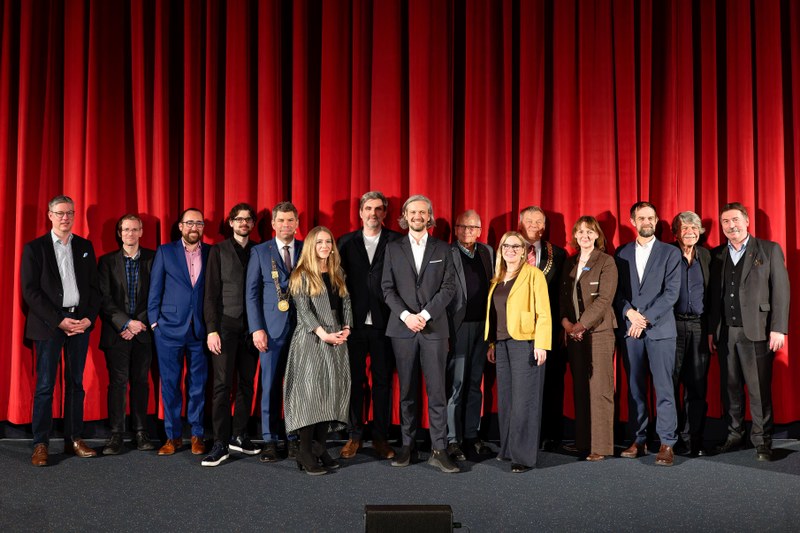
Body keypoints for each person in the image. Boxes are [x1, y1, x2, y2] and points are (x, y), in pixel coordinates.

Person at [381, 194, 458, 473]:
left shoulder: (443, 249)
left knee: (437, 391)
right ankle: (408, 446)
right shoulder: (393, 248)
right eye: (412, 212)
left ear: (429, 216)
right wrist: (406, 316)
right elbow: (387, 288)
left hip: (434, 329)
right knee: (407, 393)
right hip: (402, 330)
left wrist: (424, 316)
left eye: (422, 212)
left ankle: (439, 448)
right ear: (405, 215)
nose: (417, 216)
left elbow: (449, 288)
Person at [22, 195, 101, 466]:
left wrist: (88, 318)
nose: (65, 217)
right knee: (45, 386)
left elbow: (94, 289)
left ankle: (74, 439)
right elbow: (30, 292)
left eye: (69, 213)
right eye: (60, 213)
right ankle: (41, 444)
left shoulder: (85, 247)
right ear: (50, 215)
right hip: (48, 326)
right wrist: (58, 321)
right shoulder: (35, 248)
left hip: (80, 323)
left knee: (76, 384)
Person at [708, 202, 789, 462]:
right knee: (730, 388)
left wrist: (778, 328)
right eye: (725, 222)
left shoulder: (768, 250)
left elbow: (781, 292)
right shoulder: (717, 254)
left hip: (757, 331)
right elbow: (713, 299)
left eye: (735, 220)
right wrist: (713, 331)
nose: (731, 226)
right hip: (726, 333)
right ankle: (734, 435)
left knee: (758, 390)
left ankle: (762, 441)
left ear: (747, 221)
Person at [615, 201, 681, 466]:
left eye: (651, 218)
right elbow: (616, 292)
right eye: (641, 218)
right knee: (635, 389)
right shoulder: (621, 253)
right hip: (631, 331)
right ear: (633, 221)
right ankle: (639, 440)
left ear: (656, 221)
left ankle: (667, 442)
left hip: (660, 330)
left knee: (664, 388)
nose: (647, 222)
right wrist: (629, 313)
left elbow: (671, 293)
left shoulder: (669, 253)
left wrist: (644, 319)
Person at [337, 191, 402, 460]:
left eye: (378, 209)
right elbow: (337, 284)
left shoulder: (397, 242)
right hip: (353, 323)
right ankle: (354, 436)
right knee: (354, 381)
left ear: (385, 213)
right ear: (360, 212)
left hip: (385, 323)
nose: (373, 214)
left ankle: (380, 438)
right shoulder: (344, 242)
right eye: (368, 208)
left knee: (383, 382)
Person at [284, 226, 352, 475]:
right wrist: (324, 334)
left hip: (336, 337)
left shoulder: (337, 271)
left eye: (328, 242)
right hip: (312, 339)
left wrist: (346, 328)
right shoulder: (301, 274)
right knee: (310, 396)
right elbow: (303, 311)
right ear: (311, 245)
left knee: (329, 393)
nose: (325, 246)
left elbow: (346, 301)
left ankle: (319, 448)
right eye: (319, 242)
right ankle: (304, 451)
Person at [485, 231, 551, 473]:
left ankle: (523, 457)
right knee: (507, 399)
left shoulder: (534, 275)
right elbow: (495, 316)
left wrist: (542, 343)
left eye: (515, 246)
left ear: (524, 251)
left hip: (526, 342)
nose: (510, 250)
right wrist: (492, 343)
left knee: (525, 401)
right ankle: (508, 448)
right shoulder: (498, 278)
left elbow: (544, 312)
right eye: (505, 246)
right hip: (502, 344)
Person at [201, 203, 261, 467]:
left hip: (253, 328)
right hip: (225, 326)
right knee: (222, 386)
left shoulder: (260, 250)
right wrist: (211, 329)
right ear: (230, 222)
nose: (244, 223)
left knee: (247, 384)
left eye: (248, 219)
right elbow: (210, 293)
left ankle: (239, 434)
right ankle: (219, 442)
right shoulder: (218, 250)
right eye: (239, 219)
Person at [147, 207, 210, 456]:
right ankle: (172, 437)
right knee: (170, 385)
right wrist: (155, 324)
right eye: (189, 223)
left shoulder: (212, 253)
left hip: (200, 330)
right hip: (169, 330)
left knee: (198, 386)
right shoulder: (165, 251)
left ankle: (196, 435)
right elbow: (155, 289)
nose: (194, 227)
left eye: (199, 223)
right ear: (181, 227)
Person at [246, 201, 303, 462]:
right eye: (281, 220)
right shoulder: (260, 251)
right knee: (269, 385)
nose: (285, 225)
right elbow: (252, 293)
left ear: (297, 223)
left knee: (296, 386)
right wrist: (257, 328)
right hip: (270, 329)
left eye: (290, 220)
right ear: (273, 224)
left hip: (302, 328)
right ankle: (270, 439)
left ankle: (293, 437)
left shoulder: (306, 249)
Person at [559, 216, 617, 461]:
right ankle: (583, 441)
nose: (584, 235)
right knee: (581, 387)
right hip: (573, 333)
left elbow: (605, 300)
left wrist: (581, 325)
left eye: (589, 231)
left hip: (599, 333)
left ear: (597, 236)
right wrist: (567, 324)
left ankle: (601, 447)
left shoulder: (606, 262)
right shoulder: (569, 262)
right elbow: (562, 297)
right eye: (580, 231)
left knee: (600, 388)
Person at [97, 214, 156, 455]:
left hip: (143, 333)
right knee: (118, 384)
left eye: (134, 229)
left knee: (141, 383)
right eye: (126, 230)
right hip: (116, 333)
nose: (130, 234)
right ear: (119, 233)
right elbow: (104, 299)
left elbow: (157, 294)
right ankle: (116, 434)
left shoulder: (153, 258)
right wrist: (125, 324)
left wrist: (138, 323)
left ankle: (141, 431)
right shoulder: (107, 262)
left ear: (141, 232)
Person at [445, 210, 494, 461]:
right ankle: (453, 440)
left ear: (480, 230)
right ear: (455, 229)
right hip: (458, 326)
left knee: (475, 384)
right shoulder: (446, 252)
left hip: (482, 327)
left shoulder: (487, 252)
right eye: (462, 227)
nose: (467, 231)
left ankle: (471, 435)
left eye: (473, 227)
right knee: (457, 384)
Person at [518, 206, 566, 450]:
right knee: (522, 383)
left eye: (540, 221)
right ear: (521, 223)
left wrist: (561, 325)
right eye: (530, 221)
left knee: (552, 382)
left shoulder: (557, 254)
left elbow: (562, 294)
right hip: (517, 330)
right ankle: (522, 434)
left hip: (549, 328)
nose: (535, 225)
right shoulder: (509, 249)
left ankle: (550, 435)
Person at [670, 211, 711, 457]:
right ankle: (671, 439)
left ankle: (694, 439)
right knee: (671, 385)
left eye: (694, 228)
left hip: (698, 326)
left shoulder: (707, 256)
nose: (690, 232)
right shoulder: (666, 254)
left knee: (697, 386)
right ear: (675, 232)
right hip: (671, 327)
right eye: (685, 227)